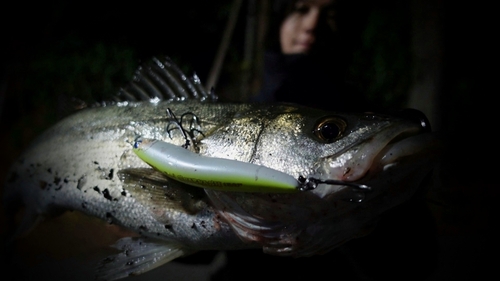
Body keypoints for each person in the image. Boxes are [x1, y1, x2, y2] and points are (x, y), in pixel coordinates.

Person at [253, 0, 365, 111]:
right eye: (301, 10)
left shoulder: (359, 112)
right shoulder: (249, 113)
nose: (312, 24)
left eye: (331, 15)